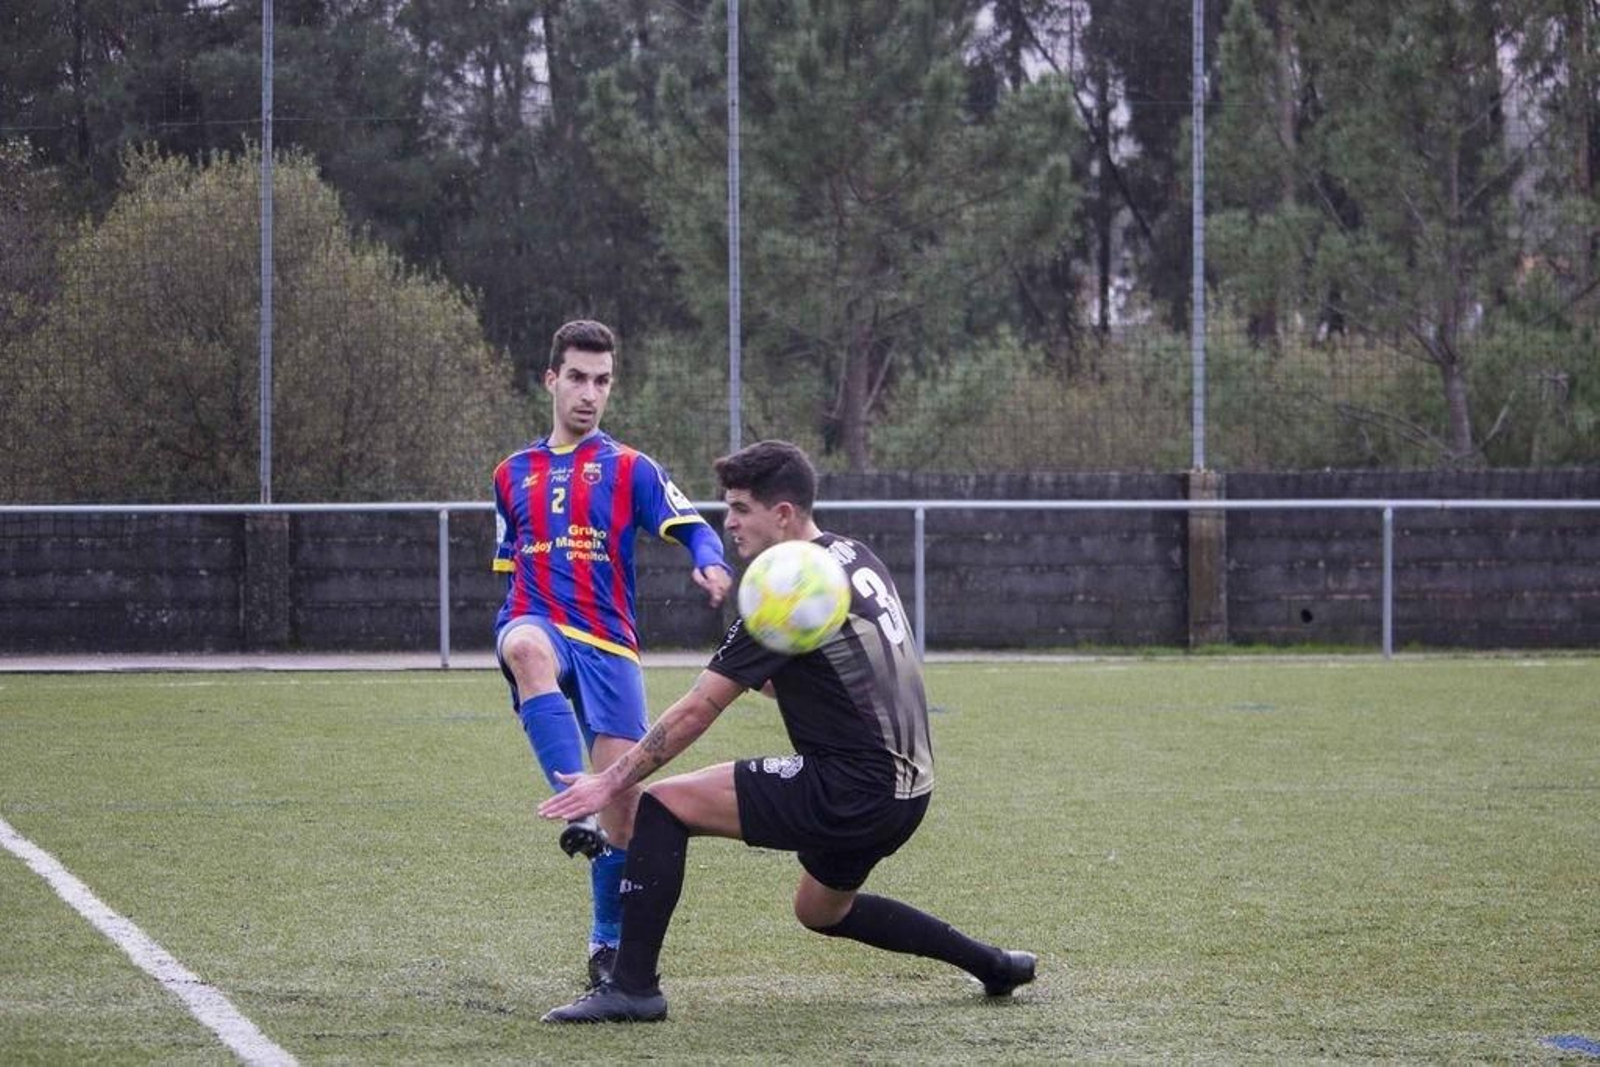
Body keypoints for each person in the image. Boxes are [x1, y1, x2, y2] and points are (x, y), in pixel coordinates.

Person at [537, 439, 1036, 1023]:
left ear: (783, 514)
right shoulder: (853, 555)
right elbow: (821, 672)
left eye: (740, 508)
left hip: (852, 788)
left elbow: (700, 708)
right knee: (821, 910)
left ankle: (633, 988)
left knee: (661, 807)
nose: (728, 523)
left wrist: (608, 783)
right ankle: (993, 966)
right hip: (908, 791)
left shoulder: (789, 585)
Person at [491, 319, 732, 989]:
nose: (589, 393)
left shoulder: (631, 467)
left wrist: (710, 563)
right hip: (537, 618)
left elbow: (692, 525)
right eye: (577, 377)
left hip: (610, 644)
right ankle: (581, 807)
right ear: (551, 379)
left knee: (625, 806)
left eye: (601, 381)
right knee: (524, 645)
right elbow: (509, 560)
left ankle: (606, 942)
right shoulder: (510, 473)